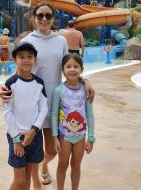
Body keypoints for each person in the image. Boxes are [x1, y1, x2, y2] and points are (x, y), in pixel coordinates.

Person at [0, 2, 95, 188]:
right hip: (33, 104)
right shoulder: (29, 41)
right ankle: (36, 182)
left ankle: (43, 166)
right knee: (33, 145)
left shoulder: (60, 41)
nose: (44, 19)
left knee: (51, 149)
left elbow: (69, 66)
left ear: (53, 19)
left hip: (56, 102)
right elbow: (20, 69)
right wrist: (2, 87)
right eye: (40, 15)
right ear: (34, 18)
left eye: (48, 16)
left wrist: (85, 81)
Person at [3, 43, 48, 190]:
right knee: (19, 181)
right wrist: (16, 139)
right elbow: (7, 112)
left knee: (28, 177)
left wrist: (34, 130)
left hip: (34, 135)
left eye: (30, 56)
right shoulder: (11, 83)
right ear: (14, 60)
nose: (26, 60)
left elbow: (43, 108)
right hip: (17, 137)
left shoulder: (39, 83)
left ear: (35, 60)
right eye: (21, 57)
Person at [51, 53, 95, 190]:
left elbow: (89, 114)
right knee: (62, 165)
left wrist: (91, 138)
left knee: (76, 166)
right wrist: (54, 137)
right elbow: (54, 114)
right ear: (63, 70)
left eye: (76, 66)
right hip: (64, 137)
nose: (72, 69)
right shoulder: (59, 90)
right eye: (68, 66)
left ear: (81, 69)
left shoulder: (85, 90)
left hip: (80, 137)